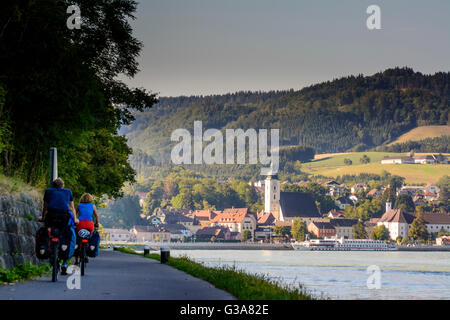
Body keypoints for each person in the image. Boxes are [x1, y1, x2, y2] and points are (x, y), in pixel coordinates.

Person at [40, 178, 78, 275]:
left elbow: (45, 207)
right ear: (63, 186)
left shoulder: (48, 191)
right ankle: (65, 263)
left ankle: (48, 250)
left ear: (53, 186)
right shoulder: (68, 191)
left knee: (48, 232)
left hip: (51, 216)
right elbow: (72, 208)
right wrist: (75, 219)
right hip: (64, 217)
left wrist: (43, 218)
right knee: (65, 236)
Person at [75, 193, 99, 265]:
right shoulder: (93, 206)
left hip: (80, 224)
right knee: (90, 236)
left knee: (77, 237)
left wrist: (75, 222)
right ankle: (89, 248)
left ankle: (76, 259)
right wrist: (97, 223)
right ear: (91, 199)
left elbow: (74, 215)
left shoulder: (79, 205)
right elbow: (96, 216)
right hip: (90, 224)